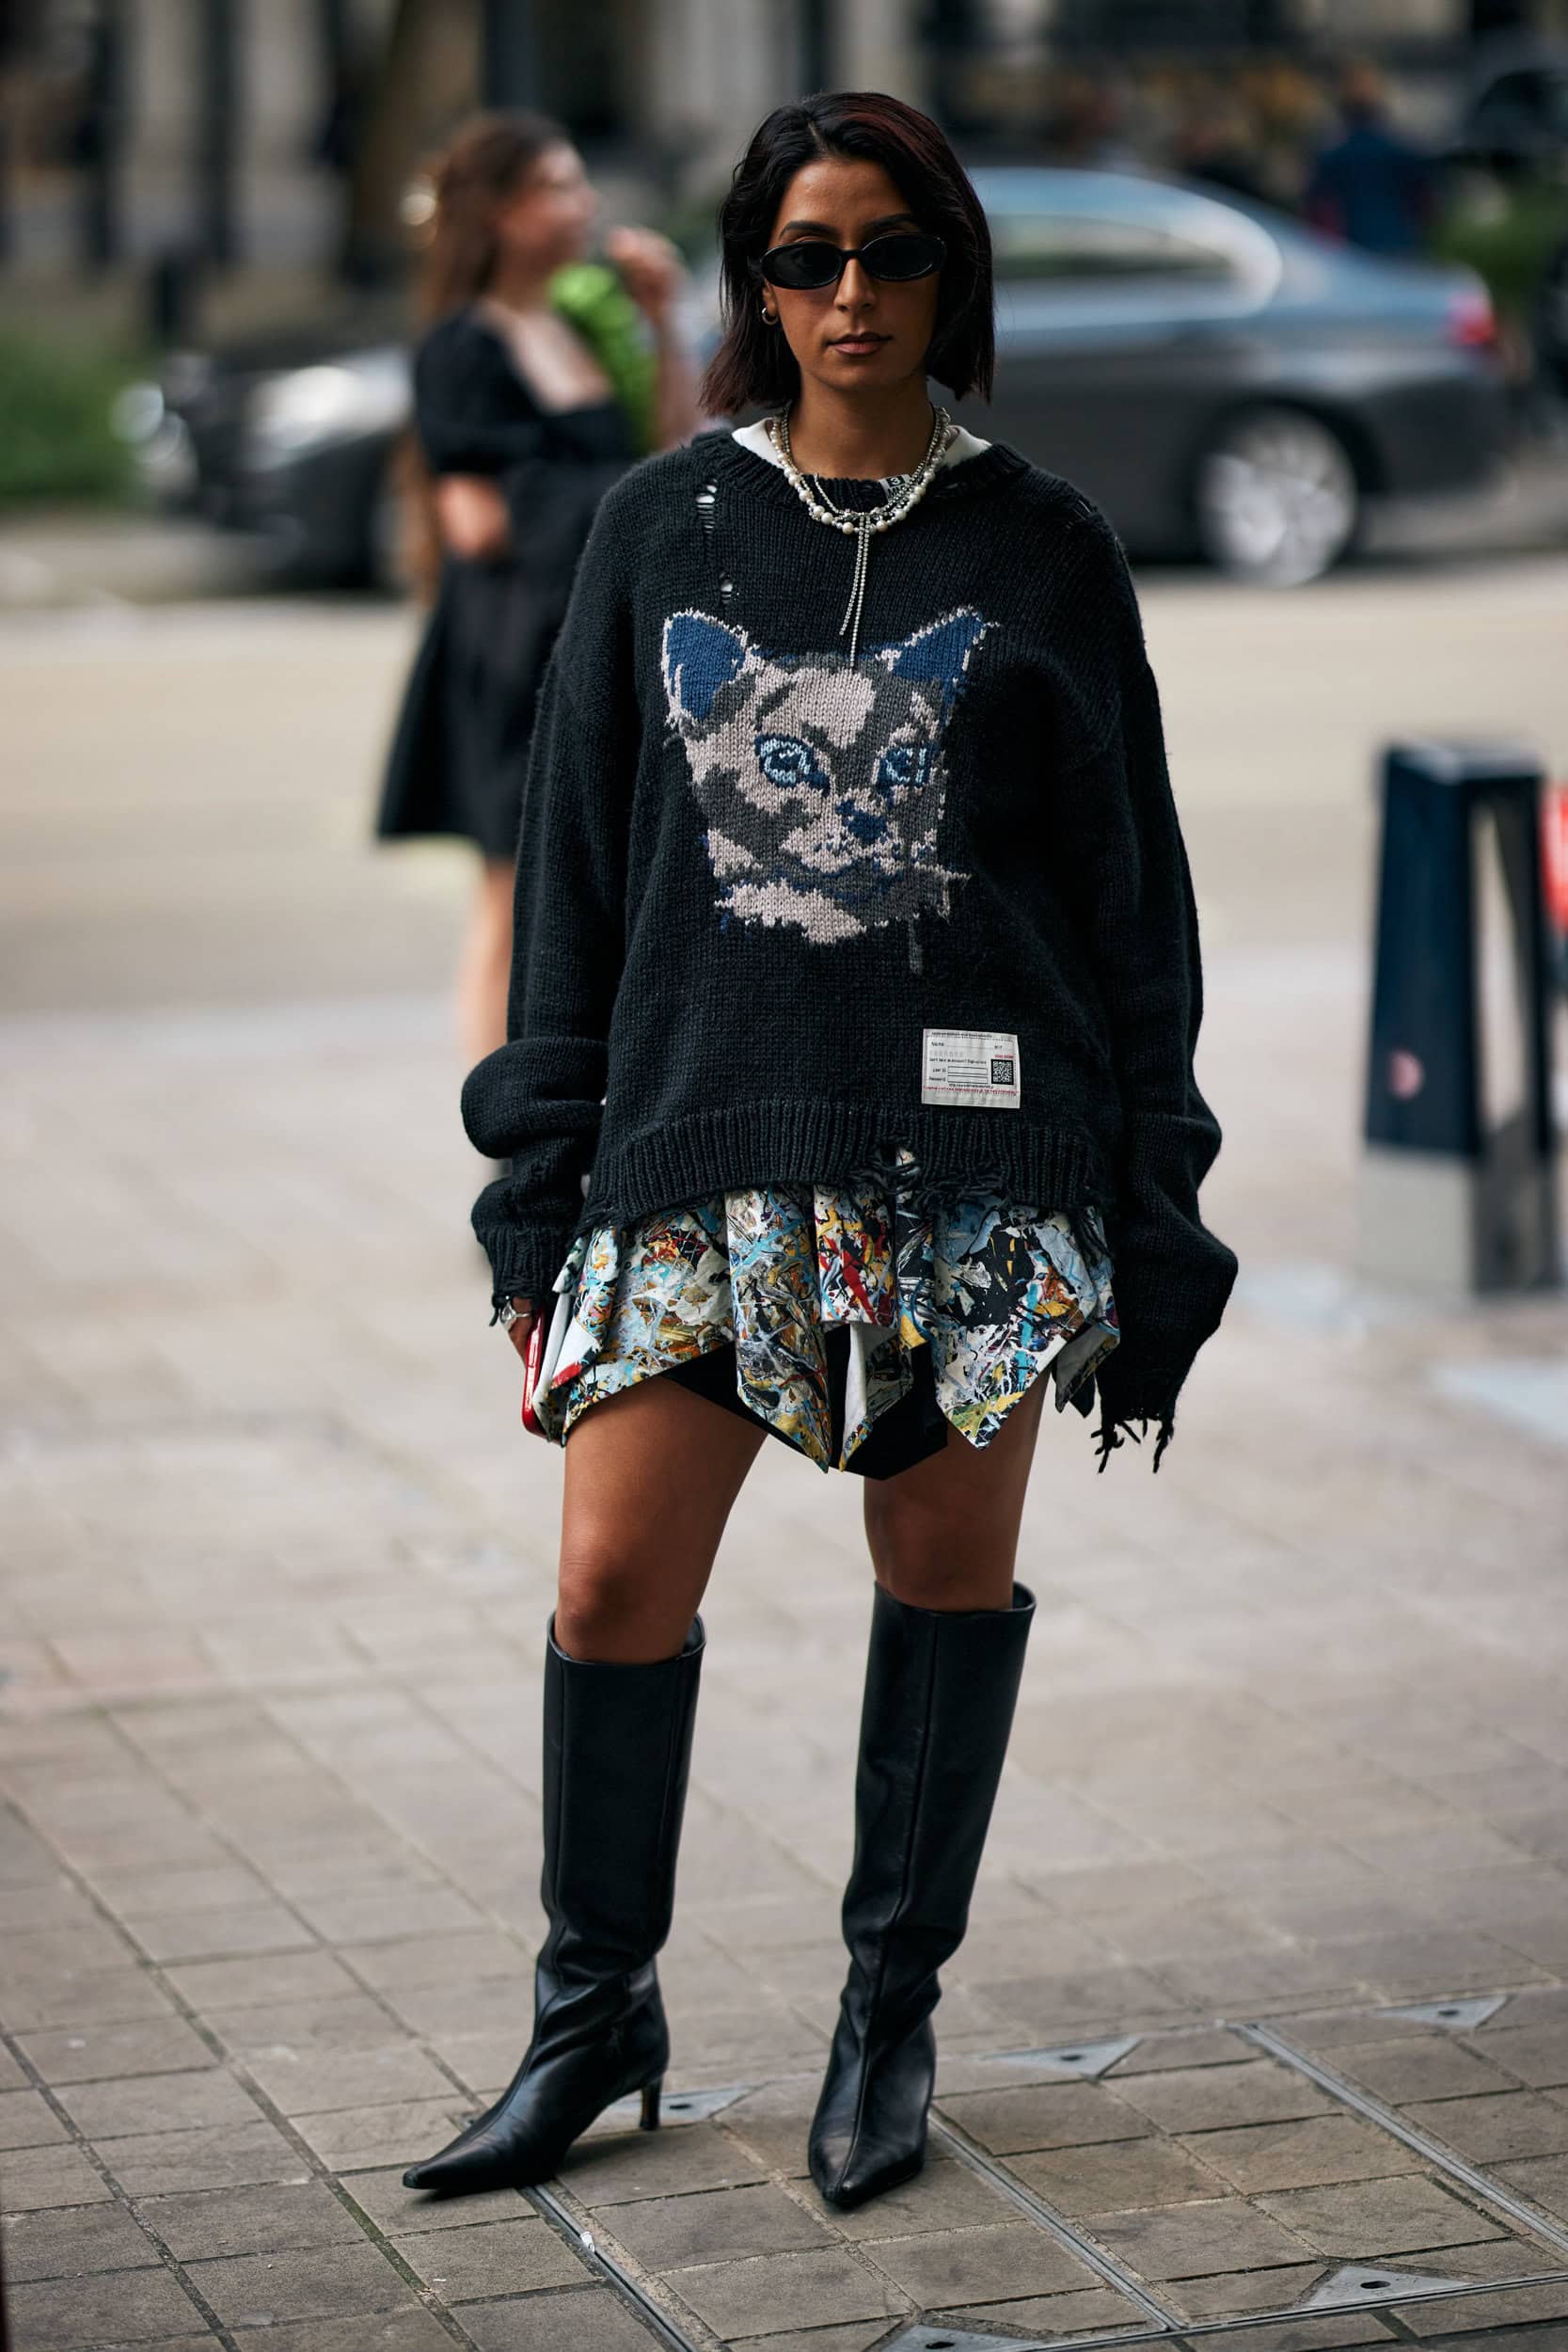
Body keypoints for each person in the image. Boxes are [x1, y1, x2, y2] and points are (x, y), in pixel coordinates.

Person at [402, 89, 1237, 2214]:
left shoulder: (1043, 548)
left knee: (937, 1585)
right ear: (755, 285)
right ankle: (593, 2014)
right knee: (609, 1585)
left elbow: (1132, 904)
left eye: (889, 251)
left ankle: (888, 2016)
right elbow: (574, 882)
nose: (849, 293)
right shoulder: (659, 527)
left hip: (979, 1179)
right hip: (695, 1158)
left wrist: (1153, 1202)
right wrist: (537, 1194)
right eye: (805, 256)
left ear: (951, 273)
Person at [375, 111, 700, 1071]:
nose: (583, 203)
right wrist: (617, 504)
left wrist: (659, 319)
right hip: (511, 652)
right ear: (500, 212)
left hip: (589, 636)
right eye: (557, 186)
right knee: (512, 893)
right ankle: (503, 1126)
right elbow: (474, 520)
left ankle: (575, 1105)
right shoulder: (461, 347)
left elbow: (668, 449)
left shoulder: (578, 322)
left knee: (596, 889)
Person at [1303, 60, 1439, 259]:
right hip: (1398, 246)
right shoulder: (1403, 152)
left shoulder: (1333, 157)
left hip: (1354, 251)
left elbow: (1318, 212)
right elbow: (1426, 206)